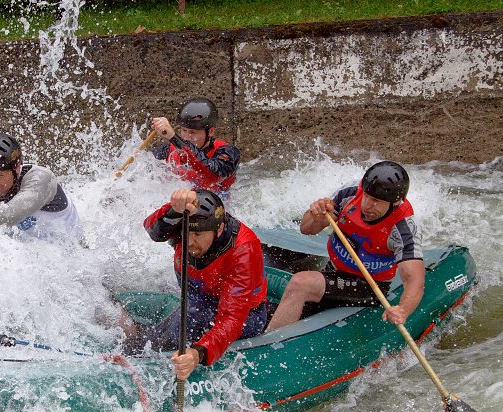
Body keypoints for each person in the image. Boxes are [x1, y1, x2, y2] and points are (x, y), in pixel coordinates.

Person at [123, 189, 267, 381]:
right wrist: (173, 208)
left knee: (186, 326)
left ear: (219, 229)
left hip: (246, 316)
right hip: (197, 301)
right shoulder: (185, 224)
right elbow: (153, 230)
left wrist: (197, 354)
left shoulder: (243, 249)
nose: (189, 242)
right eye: (187, 233)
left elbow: (232, 318)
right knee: (152, 340)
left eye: (198, 234)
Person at [265, 161, 424, 331]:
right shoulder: (350, 194)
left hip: (368, 286)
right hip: (332, 270)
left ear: (394, 203)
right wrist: (316, 217)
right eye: (367, 196)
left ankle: (271, 344)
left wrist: (403, 310)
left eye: (377, 201)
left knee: (300, 283)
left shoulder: (403, 228)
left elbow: (414, 279)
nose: (368, 205)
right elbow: (306, 229)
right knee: (277, 308)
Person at [150, 97, 240, 199]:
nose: (186, 137)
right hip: (177, 205)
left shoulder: (229, 152)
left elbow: (212, 176)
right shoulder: (166, 151)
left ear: (210, 132)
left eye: (193, 132)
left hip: (214, 206)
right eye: (184, 130)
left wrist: (173, 137)